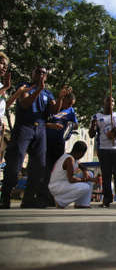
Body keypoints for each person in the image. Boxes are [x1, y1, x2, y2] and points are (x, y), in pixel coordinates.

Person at [0, 67, 70, 209]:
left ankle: (29, 198)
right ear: (32, 74)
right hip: (24, 127)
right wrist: (38, 90)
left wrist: (60, 98)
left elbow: (54, 110)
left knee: (39, 166)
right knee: (15, 162)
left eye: (44, 73)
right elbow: (25, 104)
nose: (41, 75)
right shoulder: (25, 87)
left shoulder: (47, 92)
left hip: (41, 129)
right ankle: (5, 196)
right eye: (38, 72)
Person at [89, 97, 116, 208]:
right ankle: (107, 199)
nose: (110, 103)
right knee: (106, 175)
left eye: (112, 101)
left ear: (114, 104)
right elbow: (91, 135)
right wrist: (93, 125)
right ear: (104, 103)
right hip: (103, 149)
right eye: (108, 101)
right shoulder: (97, 116)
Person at [44, 92, 78, 206]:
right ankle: (43, 195)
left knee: (56, 171)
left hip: (59, 143)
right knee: (45, 169)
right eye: (68, 103)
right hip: (47, 141)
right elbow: (43, 122)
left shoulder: (71, 111)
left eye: (72, 104)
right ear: (63, 100)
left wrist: (72, 125)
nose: (69, 106)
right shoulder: (54, 107)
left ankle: (52, 197)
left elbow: (75, 124)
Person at [48, 141, 97, 208]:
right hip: (57, 186)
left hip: (63, 183)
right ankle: (60, 202)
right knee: (85, 187)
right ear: (81, 153)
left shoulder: (72, 157)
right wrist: (86, 179)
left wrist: (85, 171)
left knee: (90, 174)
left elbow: (81, 166)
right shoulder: (69, 159)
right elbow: (71, 179)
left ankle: (82, 204)